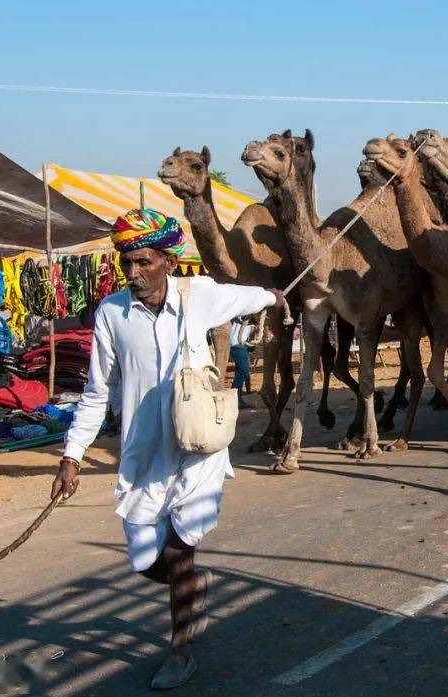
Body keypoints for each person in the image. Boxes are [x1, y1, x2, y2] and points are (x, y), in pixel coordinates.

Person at [50, 209, 283, 689]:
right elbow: (97, 392)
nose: (133, 273)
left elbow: (251, 296)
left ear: (168, 261)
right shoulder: (112, 314)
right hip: (142, 453)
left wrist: (274, 296)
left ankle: (180, 650)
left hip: (198, 452)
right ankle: (191, 586)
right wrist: (72, 455)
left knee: (180, 551)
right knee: (143, 558)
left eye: (142, 262)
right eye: (127, 264)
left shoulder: (199, 299)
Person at [229, 319, 251, 409]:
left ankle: (235, 397)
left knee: (239, 372)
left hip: (235, 344)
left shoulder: (239, 315)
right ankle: (236, 399)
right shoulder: (247, 314)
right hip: (238, 344)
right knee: (243, 371)